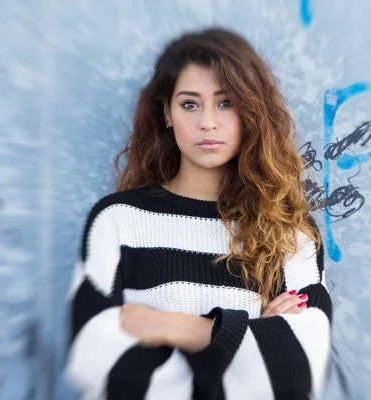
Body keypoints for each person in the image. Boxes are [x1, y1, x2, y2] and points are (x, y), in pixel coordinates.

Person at [64, 26, 333, 400]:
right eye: (190, 103)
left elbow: (293, 372)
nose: (208, 121)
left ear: (251, 110)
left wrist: (169, 326)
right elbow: (94, 358)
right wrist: (250, 340)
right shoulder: (117, 220)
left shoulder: (291, 233)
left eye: (226, 103)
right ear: (167, 113)